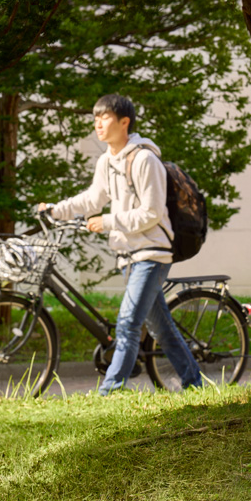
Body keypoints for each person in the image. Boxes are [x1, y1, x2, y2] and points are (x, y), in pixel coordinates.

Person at [37, 94, 204, 396]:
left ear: (124, 122)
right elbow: (92, 198)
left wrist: (109, 222)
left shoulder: (144, 160)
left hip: (152, 253)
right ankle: (194, 382)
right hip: (129, 255)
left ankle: (110, 391)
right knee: (161, 329)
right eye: (95, 118)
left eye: (105, 117)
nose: (98, 123)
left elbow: (153, 213)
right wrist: (55, 209)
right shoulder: (107, 161)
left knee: (127, 323)